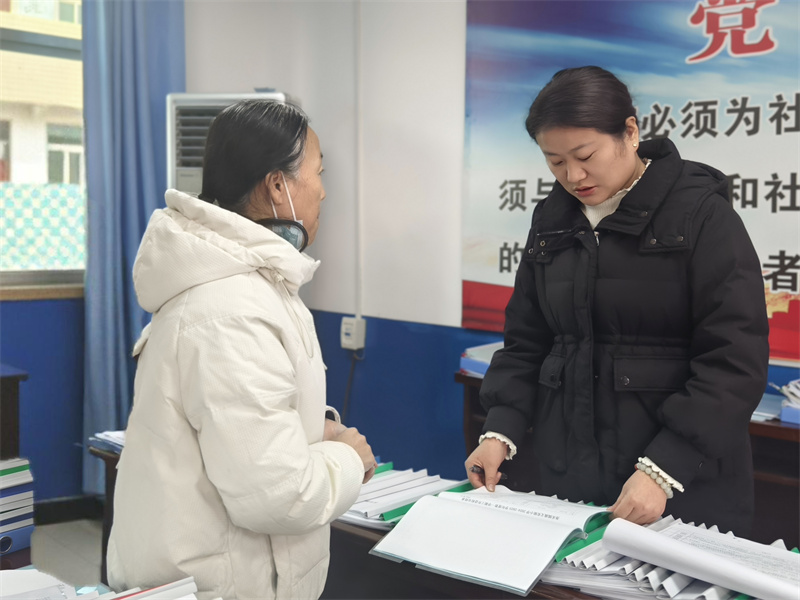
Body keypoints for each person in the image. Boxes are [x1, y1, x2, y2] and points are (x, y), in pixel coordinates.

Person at [465, 66, 769, 537]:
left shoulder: (701, 215)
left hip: (681, 488)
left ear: (630, 132)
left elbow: (734, 360)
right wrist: (499, 430)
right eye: (554, 161)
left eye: (585, 156)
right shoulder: (552, 220)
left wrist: (663, 469)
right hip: (567, 478)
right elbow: (527, 340)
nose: (573, 176)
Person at [107, 100, 376, 599]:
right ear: (277, 186)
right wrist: (346, 458)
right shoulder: (230, 310)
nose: (323, 190)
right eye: (317, 173)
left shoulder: (250, 284)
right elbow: (277, 495)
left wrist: (307, 426)